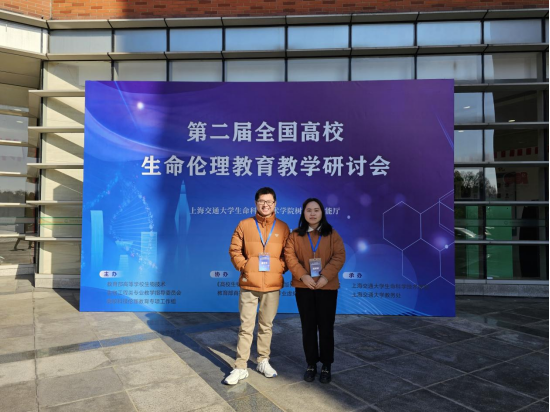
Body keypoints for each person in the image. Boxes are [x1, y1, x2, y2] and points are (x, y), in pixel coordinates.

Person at [224, 187, 290, 385]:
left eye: (269, 202)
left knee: (266, 326)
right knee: (246, 327)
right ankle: (240, 367)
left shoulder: (283, 227)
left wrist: (278, 268)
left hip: (272, 285)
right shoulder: (244, 225)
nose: (265, 205)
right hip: (249, 284)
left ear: (275, 204)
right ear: (256, 203)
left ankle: (263, 361)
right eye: (262, 201)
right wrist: (246, 267)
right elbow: (234, 250)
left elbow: (289, 254)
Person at [284, 198, 346, 384]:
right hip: (304, 287)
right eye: (309, 210)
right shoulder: (295, 235)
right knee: (308, 327)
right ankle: (311, 364)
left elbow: (339, 256)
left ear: (322, 213)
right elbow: (290, 257)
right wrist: (303, 276)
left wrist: (325, 277)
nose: (312, 213)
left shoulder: (331, 233)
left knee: (326, 327)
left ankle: (326, 364)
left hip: (327, 287)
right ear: (303, 213)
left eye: (316, 210)